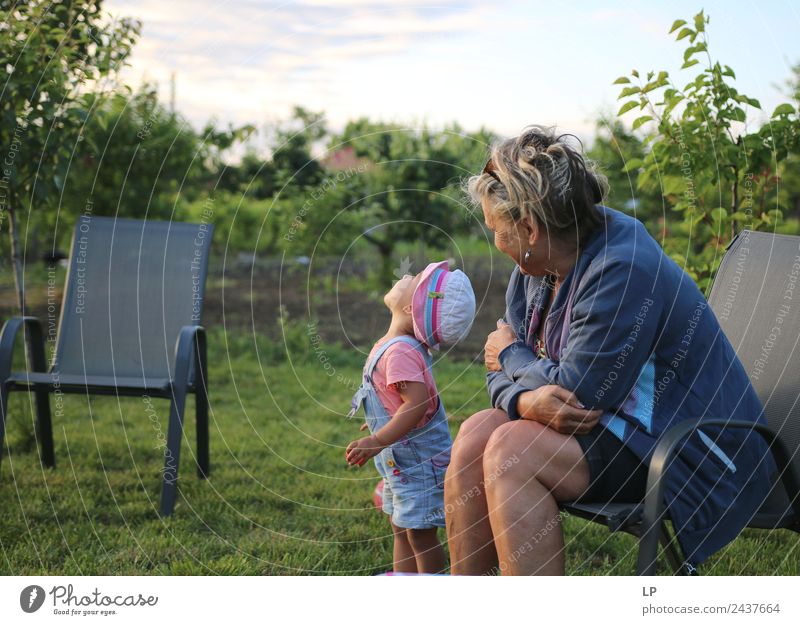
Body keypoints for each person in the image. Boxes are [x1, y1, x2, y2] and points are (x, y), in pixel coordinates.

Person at [444, 125, 776, 575]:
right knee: (474, 438)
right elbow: (504, 373)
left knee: (509, 451)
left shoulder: (622, 268)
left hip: (685, 445)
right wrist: (522, 397)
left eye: (497, 231)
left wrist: (511, 360)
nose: (496, 242)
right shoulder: (535, 266)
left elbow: (573, 395)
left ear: (529, 227)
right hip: (618, 425)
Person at [346, 261, 476, 573]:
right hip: (403, 463)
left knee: (419, 533)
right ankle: (403, 578)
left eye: (413, 278)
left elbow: (415, 405)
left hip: (418, 465)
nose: (405, 274)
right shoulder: (398, 347)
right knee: (401, 525)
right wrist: (381, 421)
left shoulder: (400, 352)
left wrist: (378, 438)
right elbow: (398, 402)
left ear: (410, 306)